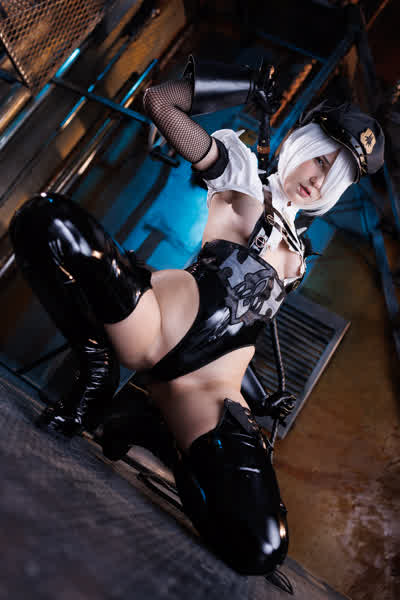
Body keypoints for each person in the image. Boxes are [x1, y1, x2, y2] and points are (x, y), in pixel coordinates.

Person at [9, 56, 384, 576]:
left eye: (335, 177)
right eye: (320, 160)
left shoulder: (300, 257)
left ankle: (153, 427)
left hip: (208, 393)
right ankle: (96, 371)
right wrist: (242, 84)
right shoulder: (241, 177)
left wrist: (259, 398)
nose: (318, 181)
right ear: (303, 145)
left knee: (261, 547)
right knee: (44, 219)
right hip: (152, 324)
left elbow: (239, 333)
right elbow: (159, 103)